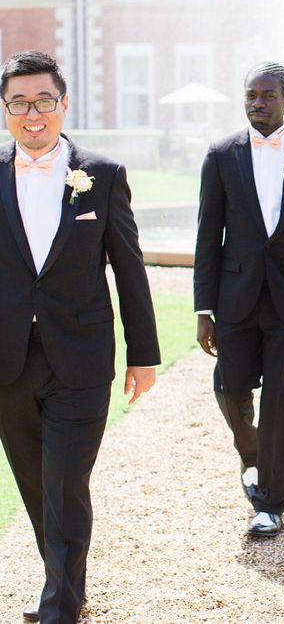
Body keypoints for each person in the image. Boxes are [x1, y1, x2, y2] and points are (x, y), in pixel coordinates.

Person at [0, 50, 160, 623]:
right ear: (6, 109)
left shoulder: (104, 175)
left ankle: (59, 611)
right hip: (8, 362)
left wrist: (143, 355)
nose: (32, 113)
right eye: (19, 102)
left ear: (63, 104)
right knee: (36, 487)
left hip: (81, 361)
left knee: (65, 486)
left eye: (43, 100)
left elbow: (130, 267)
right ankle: (65, 589)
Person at [194, 61, 284, 536]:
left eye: (267, 95)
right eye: (251, 95)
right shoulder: (221, 154)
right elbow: (208, 235)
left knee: (280, 400)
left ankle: (272, 502)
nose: (257, 103)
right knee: (229, 388)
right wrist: (203, 309)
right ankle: (251, 454)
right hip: (235, 297)